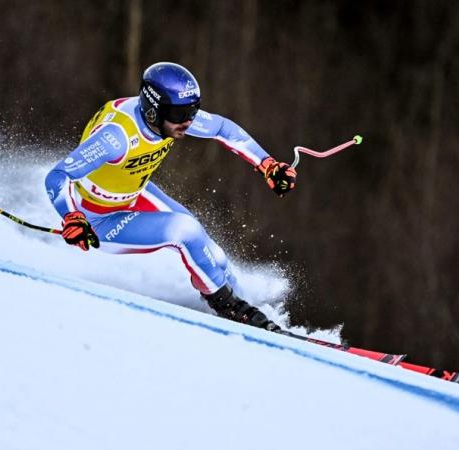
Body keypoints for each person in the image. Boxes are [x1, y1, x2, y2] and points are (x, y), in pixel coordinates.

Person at [45, 62, 297, 331]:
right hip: (98, 219)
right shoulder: (115, 138)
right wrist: (72, 217)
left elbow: (223, 129)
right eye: (180, 113)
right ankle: (231, 308)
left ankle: (249, 308)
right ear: (153, 110)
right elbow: (58, 176)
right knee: (185, 231)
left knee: (211, 252)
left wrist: (267, 164)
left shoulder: (171, 118)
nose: (188, 121)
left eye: (193, 110)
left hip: (133, 194)